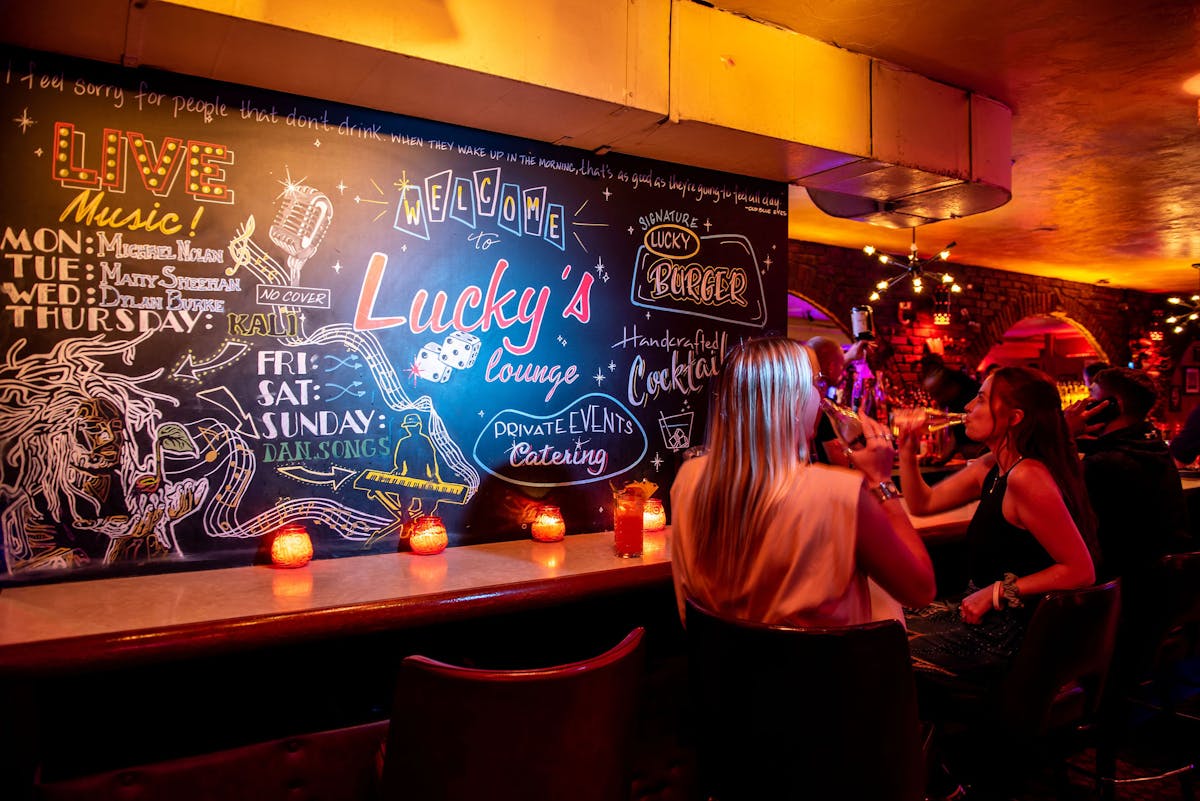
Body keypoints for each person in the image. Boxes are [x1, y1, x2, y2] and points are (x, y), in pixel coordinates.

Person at [669, 337, 935, 628]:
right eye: (814, 384)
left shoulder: (688, 479)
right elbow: (920, 591)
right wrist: (881, 481)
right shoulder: (839, 495)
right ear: (794, 401)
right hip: (829, 673)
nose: (821, 399)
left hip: (723, 671)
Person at [897, 366, 1096, 678]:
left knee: (883, 651)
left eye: (980, 399)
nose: (967, 408)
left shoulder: (1027, 476)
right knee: (885, 624)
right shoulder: (992, 465)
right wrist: (906, 451)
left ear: (1014, 418)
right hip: (978, 613)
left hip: (1007, 634)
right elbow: (923, 504)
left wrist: (998, 591)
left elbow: (1081, 571)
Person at [1067, 367, 1190, 582]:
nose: (1084, 405)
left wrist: (1063, 433)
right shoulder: (1153, 447)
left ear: (1114, 405)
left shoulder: (1104, 463)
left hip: (1122, 589)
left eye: (1092, 396)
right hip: (1167, 581)